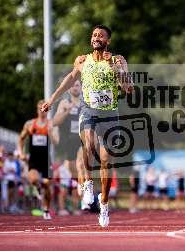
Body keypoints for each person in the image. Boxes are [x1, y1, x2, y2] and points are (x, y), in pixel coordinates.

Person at [40, 24, 133, 227]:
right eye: (94, 34)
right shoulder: (82, 60)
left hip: (109, 114)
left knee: (107, 160)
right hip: (89, 110)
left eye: (101, 35)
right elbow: (68, 80)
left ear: (107, 41)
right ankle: (88, 183)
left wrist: (116, 68)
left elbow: (128, 88)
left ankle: (105, 204)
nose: (96, 37)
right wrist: (52, 100)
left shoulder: (118, 60)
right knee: (88, 143)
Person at [18, 100, 59, 220]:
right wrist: (21, 153)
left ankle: (46, 209)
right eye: (40, 108)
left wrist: (50, 132)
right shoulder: (30, 124)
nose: (42, 111)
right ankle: (38, 188)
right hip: (34, 159)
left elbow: (56, 143)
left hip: (46, 160)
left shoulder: (51, 125)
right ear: (37, 110)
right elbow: (21, 139)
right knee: (34, 179)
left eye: (45, 108)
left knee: (47, 184)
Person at [53, 81, 82, 213]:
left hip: (81, 143)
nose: (75, 87)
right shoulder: (64, 103)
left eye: (77, 85)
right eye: (72, 85)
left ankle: (76, 208)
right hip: (67, 144)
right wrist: (67, 111)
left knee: (78, 174)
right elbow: (55, 122)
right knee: (66, 176)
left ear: (81, 87)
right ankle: (62, 208)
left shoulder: (86, 103)